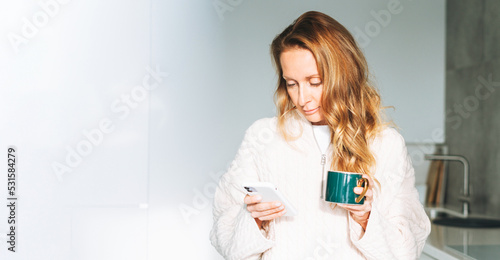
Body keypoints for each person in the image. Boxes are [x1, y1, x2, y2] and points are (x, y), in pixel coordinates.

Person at [210, 11, 430, 259]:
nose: (303, 99)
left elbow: (408, 250)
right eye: (291, 84)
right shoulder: (263, 136)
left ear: (343, 75)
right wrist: (254, 220)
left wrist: (366, 217)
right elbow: (222, 233)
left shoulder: (385, 144)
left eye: (315, 82)